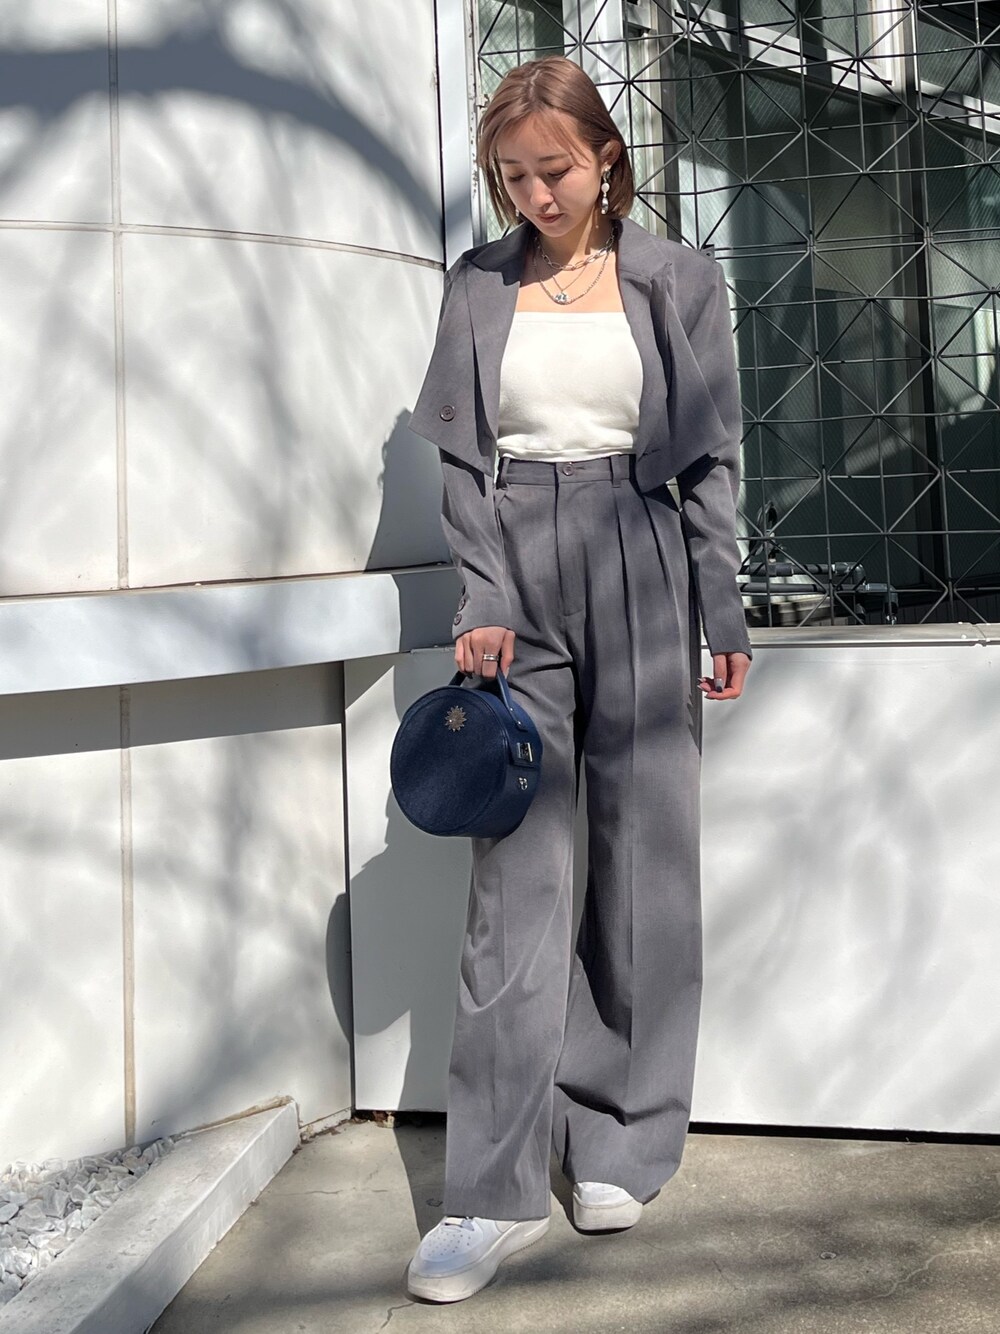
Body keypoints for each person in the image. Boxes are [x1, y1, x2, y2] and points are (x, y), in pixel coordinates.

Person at [404, 54, 752, 1303]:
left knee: (645, 869)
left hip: (643, 552)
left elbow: (706, 456)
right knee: (517, 889)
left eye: (553, 169)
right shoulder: (477, 284)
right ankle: (486, 1191)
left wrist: (721, 600)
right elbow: (461, 466)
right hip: (521, 575)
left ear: (605, 157)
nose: (535, 194)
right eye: (512, 177)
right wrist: (484, 597)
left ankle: (619, 1140)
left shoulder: (677, 279)